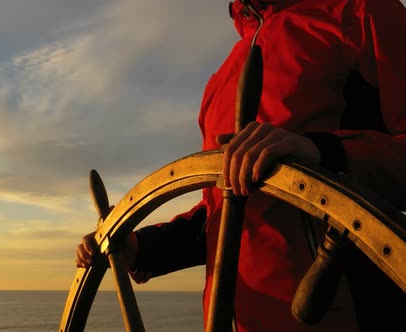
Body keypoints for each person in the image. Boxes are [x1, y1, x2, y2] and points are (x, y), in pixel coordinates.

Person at [76, 0, 406, 331]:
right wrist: (144, 248)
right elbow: (228, 209)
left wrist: (321, 152)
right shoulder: (218, 84)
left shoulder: (363, 13)